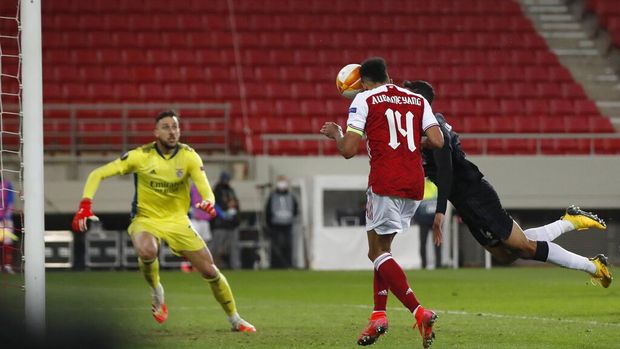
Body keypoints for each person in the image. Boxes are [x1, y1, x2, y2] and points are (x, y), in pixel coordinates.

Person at [403, 80, 612, 288]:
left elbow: (446, 171)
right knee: (505, 255)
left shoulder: (435, 130)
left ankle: (592, 266)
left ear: (418, 101)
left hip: (476, 197)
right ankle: (570, 221)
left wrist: (440, 212)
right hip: (464, 202)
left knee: (525, 248)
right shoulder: (423, 127)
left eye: (407, 96)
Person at [71, 110, 256, 332]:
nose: (172, 131)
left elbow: (206, 188)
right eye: (166, 127)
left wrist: (208, 201)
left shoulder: (189, 156)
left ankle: (235, 319)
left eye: (175, 127)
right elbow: (97, 174)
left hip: (178, 221)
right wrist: (85, 205)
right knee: (147, 250)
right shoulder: (140, 156)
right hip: (146, 219)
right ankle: (156, 290)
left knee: (210, 271)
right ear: (156, 132)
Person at [320, 57, 444, 348]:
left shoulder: (364, 100)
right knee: (382, 250)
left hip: (385, 182)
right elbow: (437, 140)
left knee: (375, 253)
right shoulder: (415, 99)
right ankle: (378, 315)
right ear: (388, 75)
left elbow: (349, 150)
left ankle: (418, 311)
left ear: (362, 82)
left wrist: (337, 134)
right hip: (415, 183)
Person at [264, 175, 298, 268]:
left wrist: (290, 218)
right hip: (276, 225)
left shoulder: (291, 196)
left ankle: (288, 264)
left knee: (288, 245)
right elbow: (268, 211)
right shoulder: (273, 196)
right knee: (276, 246)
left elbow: (295, 209)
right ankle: (276, 265)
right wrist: (269, 224)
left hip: (288, 224)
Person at [181, 183, 216, 272]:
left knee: (205, 243)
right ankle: (192, 265)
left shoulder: (206, 186)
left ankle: (204, 265)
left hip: (205, 220)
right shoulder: (191, 188)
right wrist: (191, 213)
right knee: (193, 243)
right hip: (195, 220)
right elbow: (187, 202)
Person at [210, 171, 240, 267]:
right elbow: (215, 206)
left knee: (234, 247)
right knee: (216, 247)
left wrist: (234, 206)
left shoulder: (231, 190)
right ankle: (213, 266)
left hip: (232, 224)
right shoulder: (216, 191)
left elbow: (236, 203)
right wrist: (226, 208)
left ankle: (236, 266)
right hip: (220, 224)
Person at [415, 178, 441, 269]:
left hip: (432, 221)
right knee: (426, 243)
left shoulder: (432, 185)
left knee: (432, 242)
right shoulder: (424, 185)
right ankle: (426, 264)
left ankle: (436, 264)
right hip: (427, 221)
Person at [0, 176, 15, 274]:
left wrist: (6, 216)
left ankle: (7, 265)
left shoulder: (7, 184)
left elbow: (10, 201)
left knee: (7, 242)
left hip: (6, 219)